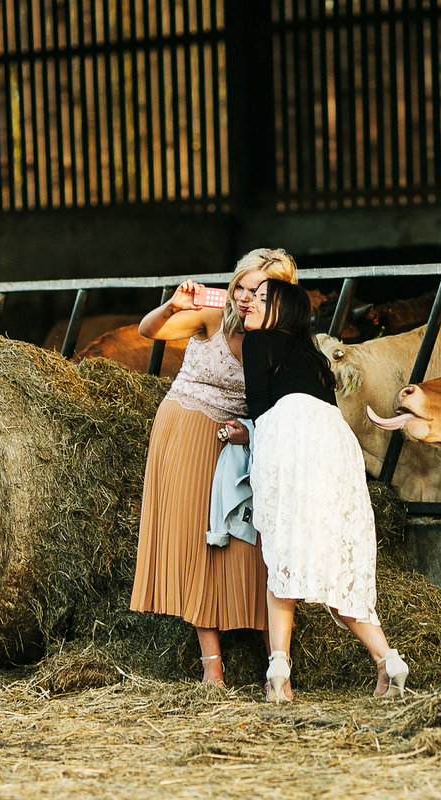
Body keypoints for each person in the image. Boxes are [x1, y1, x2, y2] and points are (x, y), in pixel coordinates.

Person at [129, 248, 298, 686]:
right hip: (186, 427)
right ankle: (212, 667)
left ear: (278, 294)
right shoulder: (210, 319)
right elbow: (151, 331)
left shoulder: (282, 341)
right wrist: (172, 305)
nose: (244, 298)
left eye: (257, 290)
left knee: (251, 543)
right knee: (198, 540)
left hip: (241, 441)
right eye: (239, 287)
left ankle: (277, 663)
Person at [241, 278, 408, 701]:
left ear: (283, 311)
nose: (251, 304)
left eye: (263, 299)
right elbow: (327, 410)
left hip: (289, 438)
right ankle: (388, 660)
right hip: (335, 446)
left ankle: (279, 672)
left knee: (283, 559)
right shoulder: (315, 357)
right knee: (338, 564)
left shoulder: (257, 343)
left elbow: (259, 407)